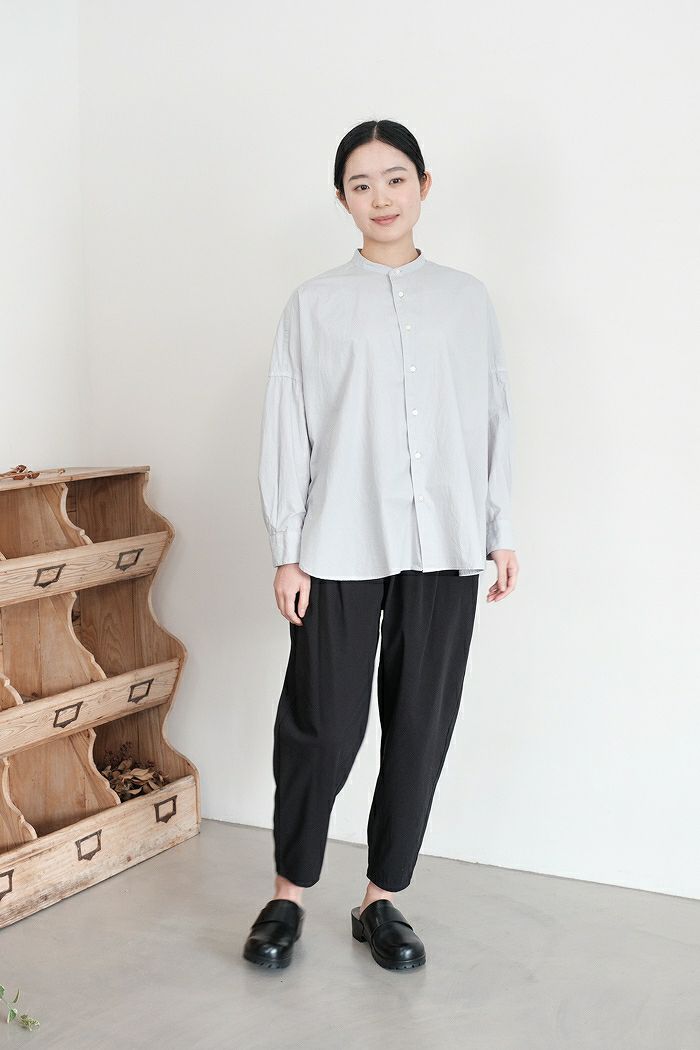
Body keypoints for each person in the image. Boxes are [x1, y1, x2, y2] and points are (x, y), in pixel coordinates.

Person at [244, 118, 519, 972]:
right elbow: (289, 422)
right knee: (322, 723)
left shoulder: (467, 299)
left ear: (423, 185)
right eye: (361, 184)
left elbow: (491, 415)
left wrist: (500, 530)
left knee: (420, 722)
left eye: (395, 179)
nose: (381, 197)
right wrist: (288, 547)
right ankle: (289, 892)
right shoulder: (315, 303)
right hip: (339, 535)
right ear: (342, 200)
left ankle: (381, 899)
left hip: (445, 539)